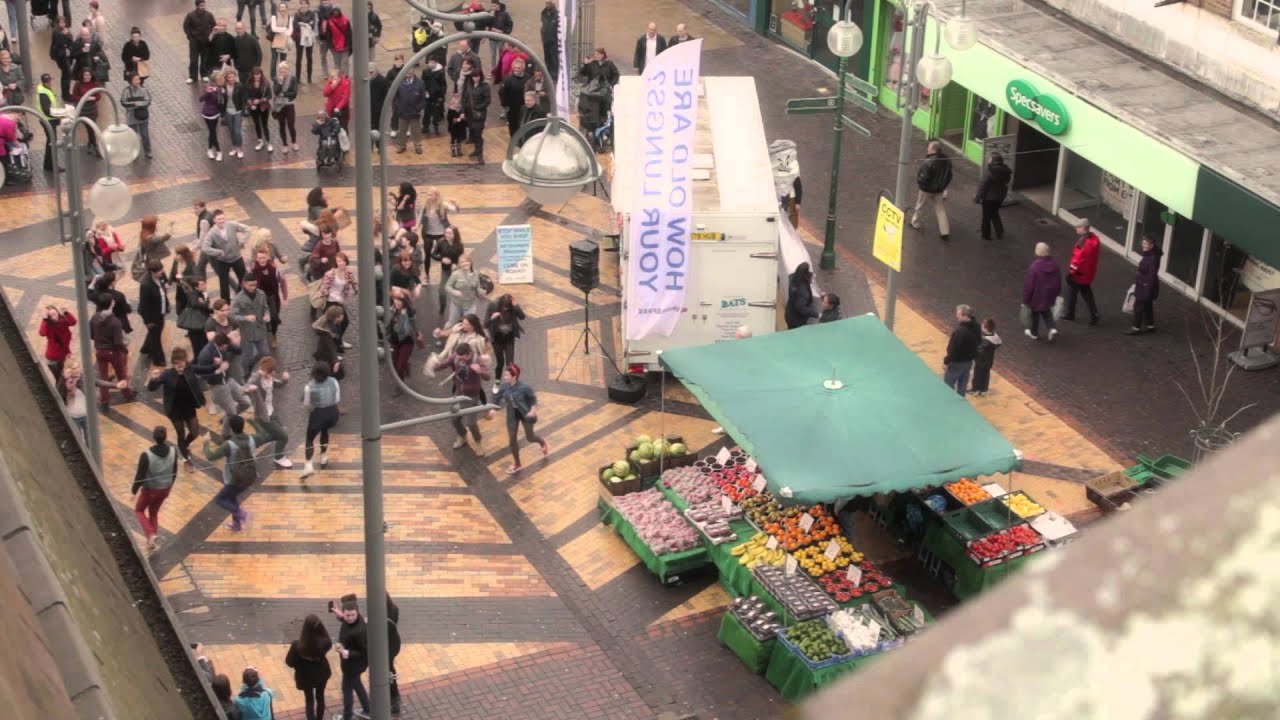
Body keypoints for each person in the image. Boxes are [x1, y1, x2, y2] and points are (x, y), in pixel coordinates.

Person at [203, 413, 272, 530]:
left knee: (220, 500)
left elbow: (211, 456)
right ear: (242, 426)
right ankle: (237, 525)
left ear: (231, 428)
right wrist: (251, 420)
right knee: (232, 498)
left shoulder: (229, 445)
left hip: (233, 479)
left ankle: (243, 515)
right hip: (250, 476)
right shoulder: (252, 439)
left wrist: (206, 442)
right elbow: (263, 434)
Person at [147, 348, 205, 471]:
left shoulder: (189, 369)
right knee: (181, 434)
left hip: (189, 407)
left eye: (182, 362)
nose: (180, 365)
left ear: (186, 361)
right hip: (174, 409)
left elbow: (205, 370)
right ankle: (186, 459)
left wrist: (217, 366)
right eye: (177, 363)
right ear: (173, 363)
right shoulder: (167, 374)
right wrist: (152, 379)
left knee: (194, 432)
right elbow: (152, 388)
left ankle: (184, 445)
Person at [488, 364, 549, 473]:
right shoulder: (504, 386)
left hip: (525, 413)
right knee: (512, 441)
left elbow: (533, 399)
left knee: (530, 437)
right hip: (512, 414)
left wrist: (532, 410)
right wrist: (493, 408)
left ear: (514, 376)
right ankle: (517, 464)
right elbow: (496, 397)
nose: (504, 377)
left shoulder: (525, 388)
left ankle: (542, 442)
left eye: (506, 375)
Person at [433, 342, 490, 450]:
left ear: (469, 354)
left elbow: (488, 376)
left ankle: (478, 442)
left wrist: (480, 371)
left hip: (472, 397)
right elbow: (444, 364)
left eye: (463, 358)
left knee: (472, 424)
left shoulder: (477, 360)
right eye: (459, 358)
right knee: (454, 419)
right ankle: (463, 436)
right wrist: (434, 367)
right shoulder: (456, 356)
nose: (460, 360)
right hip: (459, 394)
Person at [194, 332, 252, 435]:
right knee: (233, 414)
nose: (226, 349)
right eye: (225, 347)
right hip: (218, 386)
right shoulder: (205, 355)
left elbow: (238, 351)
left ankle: (226, 419)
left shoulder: (225, 344)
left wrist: (233, 343)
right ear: (219, 345)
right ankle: (226, 435)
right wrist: (217, 369)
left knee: (246, 403)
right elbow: (202, 376)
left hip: (228, 379)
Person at [131, 425, 177, 553]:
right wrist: (169, 486)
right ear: (166, 437)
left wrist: (134, 491)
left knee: (139, 510)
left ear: (154, 437)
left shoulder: (146, 455)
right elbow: (174, 472)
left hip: (150, 490)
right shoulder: (174, 451)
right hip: (165, 489)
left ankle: (151, 535)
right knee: (153, 513)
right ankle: (152, 542)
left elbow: (140, 475)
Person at [244, 356, 291, 468]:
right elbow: (245, 387)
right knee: (283, 436)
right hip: (263, 416)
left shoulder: (271, 377)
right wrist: (251, 387)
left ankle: (250, 445)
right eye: (265, 371)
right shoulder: (256, 378)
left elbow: (278, 385)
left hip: (272, 412)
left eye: (269, 372)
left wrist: (285, 379)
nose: (267, 374)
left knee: (275, 434)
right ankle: (279, 457)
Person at [90, 295, 135, 411]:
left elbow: (91, 334)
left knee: (103, 376)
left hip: (99, 351)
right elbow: (118, 342)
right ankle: (127, 394)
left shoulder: (94, 317)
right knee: (121, 374)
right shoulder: (115, 322)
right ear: (111, 304)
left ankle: (104, 401)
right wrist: (126, 351)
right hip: (113, 352)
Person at [330, 594, 370, 720]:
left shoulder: (361, 631)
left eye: (353, 615)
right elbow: (347, 622)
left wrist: (345, 652)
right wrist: (339, 616)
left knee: (346, 690)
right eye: (347, 615)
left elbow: (364, 652)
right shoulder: (352, 620)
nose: (350, 618)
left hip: (354, 665)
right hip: (351, 664)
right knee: (356, 683)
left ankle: (347, 716)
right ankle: (368, 708)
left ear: (357, 612)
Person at [285, 614, 332, 720]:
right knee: (320, 697)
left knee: (309, 700)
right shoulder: (325, 642)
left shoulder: (297, 646)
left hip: (305, 677)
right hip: (321, 674)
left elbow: (289, 662)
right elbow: (327, 646)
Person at [300, 358, 340, 478]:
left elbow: (306, 404)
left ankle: (308, 465)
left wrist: (313, 410)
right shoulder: (334, 381)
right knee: (325, 431)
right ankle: (323, 456)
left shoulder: (309, 386)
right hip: (332, 413)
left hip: (318, 414)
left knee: (309, 439)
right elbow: (337, 399)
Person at [911, 140, 953, 241]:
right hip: (939, 190)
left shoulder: (928, 162)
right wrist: (943, 186)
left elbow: (923, 178)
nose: (927, 149)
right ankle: (945, 232)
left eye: (929, 147)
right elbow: (949, 176)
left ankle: (915, 222)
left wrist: (921, 186)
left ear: (933, 149)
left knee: (920, 206)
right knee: (940, 209)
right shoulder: (946, 160)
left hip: (926, 190)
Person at [205, 210, 251, 301]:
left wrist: (242, 242)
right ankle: (225, 303)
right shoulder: (211, 233)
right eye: (219, 219)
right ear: (214, 220)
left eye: (223, 218)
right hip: (222, 261)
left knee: (244, 279)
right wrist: (217, 252)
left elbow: (247, 229)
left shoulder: (232, 224)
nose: (221, 221)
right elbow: (205, 247)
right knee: (223, 284)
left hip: (237, 257)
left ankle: (244, 297)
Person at [1064, 218, 1102, 326]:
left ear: (1083, 228)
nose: (1076, 228)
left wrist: (1071, 272)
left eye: (1078, 227)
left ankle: (1070, 314)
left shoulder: (1083, 243)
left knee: (1072, 292)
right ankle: (1094, 314)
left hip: (1079, 273)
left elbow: (1077, 259)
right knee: (1086, 292)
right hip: (1088, 272)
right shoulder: (1094, 239)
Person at [231, 274, 271, 374]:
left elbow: (266, 307)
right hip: (246, 332)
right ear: (244, 284)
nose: (253, 287)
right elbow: (232, 316)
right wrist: (245, 318)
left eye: (255, 285)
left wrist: (267, 315)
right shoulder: (237, 299)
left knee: (265, 353)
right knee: (246, 356)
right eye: (250, 285)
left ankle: (265, 372)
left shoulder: (261, 294)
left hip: (260, 329)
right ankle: (245, 373)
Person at [1022, 242, 1062, 341]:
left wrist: (1026, 299)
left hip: (1037, 295)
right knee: (1046, 311)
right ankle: (1051, 327)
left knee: (1035, 314)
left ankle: (1034, 333)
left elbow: (1029, 285)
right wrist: (1056, 293)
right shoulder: (1055, 265)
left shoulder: (1035, 267)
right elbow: (1058, 280)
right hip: (1049, 294)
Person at [417, 188, 456, 283]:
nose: (429, 197)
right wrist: (416, 227)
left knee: (444, 254)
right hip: (428, 233)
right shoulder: (426, 205)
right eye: (428, 195)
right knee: (427, 254)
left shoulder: (442, 205)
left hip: (440, 233)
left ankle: (446, 274)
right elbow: (420, 217)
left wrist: (455, 204)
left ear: (436, 196)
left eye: (431, 195)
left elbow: (454, 210)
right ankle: (426, 275)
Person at [318, 252, 357, 347]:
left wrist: (355, 289)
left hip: (340, 301)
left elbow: (353, 283)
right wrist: (335, 298)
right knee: (333, 326)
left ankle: (338, 341)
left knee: (344, 322)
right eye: (339, 261)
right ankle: (335, 346)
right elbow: (323, 289)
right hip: (330, 302)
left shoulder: (348, 273)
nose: (341, 263)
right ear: (335, 263)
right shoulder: (330, 273)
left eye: (343, 261)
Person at [248, 243, 286, 339]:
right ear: (256, 258)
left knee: (274, 317)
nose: (261, 260)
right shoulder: (253, 270)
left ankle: (273, 335)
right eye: (259, 258)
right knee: (260, 318)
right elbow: (245, 283)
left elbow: (282, 282)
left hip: (271, 296)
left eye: (263, 258)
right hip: (258, 298)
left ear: (267, 257)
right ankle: (264, 331)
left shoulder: (274, 269)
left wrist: (285, 297)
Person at [138, 260, 170, 369]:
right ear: (152, 272)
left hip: (161, 310)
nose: (162, 272)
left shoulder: (161, 275)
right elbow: (144, 305)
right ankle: (158, 359)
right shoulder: (145, 285)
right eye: (159, 271)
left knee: (154, 333)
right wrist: (147, 321)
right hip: (152, 316)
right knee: (156, 337)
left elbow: (165, 283)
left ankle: (146, 348)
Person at [942, 304, 980, 396]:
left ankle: (949, 401)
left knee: (948, 383)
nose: (956, 316)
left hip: (957, 362)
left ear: (965, 316)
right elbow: (979, 341)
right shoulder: (977, 327)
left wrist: (946, 361)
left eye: (958, 314)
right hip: (968, 362)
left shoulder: (960, 331)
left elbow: (953, 349)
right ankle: (961, 399)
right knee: (963, 384)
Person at [485, 294, 524, 382]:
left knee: (510, 364)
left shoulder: (513, 307)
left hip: (509, 338)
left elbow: (522, 317)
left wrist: (516, 306)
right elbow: (485, 324)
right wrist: (492, 318)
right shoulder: (492, 306)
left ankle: (511, 383)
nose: (505, 310)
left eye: (507, 308)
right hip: (497, 339)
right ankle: (497, 381)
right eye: (504, 308)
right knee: (500, 363)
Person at [1128, 235, 1162, 336]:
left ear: (1152, 245)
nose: (1143, 245)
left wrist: (1146, 289)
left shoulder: (1151, 258)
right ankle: (1150, 325)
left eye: (1146, 244)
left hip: (1145, 286)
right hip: (1146, 285)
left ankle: (1136, 327)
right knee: (1147, 306)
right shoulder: (1151, 255)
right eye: (1143, 243)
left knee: (1138, 306)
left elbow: (1151, 275)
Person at [975, 151, 1012, 241]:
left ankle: (986, 235)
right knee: (995, 214)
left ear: (993, 161)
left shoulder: (990, 172)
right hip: (999, 198)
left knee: (986, 217)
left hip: (989, 199)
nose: (988, 160)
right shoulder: (1005, 172)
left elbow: (983, 186)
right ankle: (999, 232)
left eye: (990, 159)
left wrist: (977, 197)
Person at [385, 291, 419, 384]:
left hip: (406, 342)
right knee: (395, 364)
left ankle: (400, 385)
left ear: (404, 301)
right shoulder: (392, 310)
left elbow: (405, 331)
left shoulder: (409, 314)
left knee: (399, 367)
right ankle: (405, 365)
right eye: (395, 299)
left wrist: (403, 317)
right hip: (395, 341)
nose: (396, 302)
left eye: (399, 300)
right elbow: (388, 324)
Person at [443, 253, 482, 328]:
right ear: (459, 264)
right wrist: (454, 292)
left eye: (466, 261)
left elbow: (477, 286)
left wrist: (480, 292)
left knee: (470, 324)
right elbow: (447, 286)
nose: (465, 264)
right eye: (462, 262)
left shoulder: (476, 273)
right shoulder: (455, 274)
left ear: (470, 262)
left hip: (470, 303)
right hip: (457, 303)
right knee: (452, 323)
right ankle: (445, 333)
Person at [70, 67, 103, 157]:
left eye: (88, 75)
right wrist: (84, 98)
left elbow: (98, 96)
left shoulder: (95, 84)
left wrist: (93, 98)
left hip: (92, 109)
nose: (87, 77)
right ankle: (94, 146)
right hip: (83, 110)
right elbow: (74, 96)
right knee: (90, 128)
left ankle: (91, 144)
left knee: (91, 128)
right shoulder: (78, 84)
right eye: (85, 75)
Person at [178, 275, 213, 357]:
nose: (205, 286)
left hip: (202, 323)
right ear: (196, 287)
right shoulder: (193, 294)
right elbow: (194, 303)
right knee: (198, 347)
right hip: (196, 326)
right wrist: (204, 304)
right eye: (202, 285)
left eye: (204, 284)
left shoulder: (203, 293)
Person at [460, 65, 490, 163]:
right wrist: (463, 111)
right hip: (469, 114)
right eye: (474, 76)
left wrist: (477, 107)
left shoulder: (485, 86)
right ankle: (476, 150)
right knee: (473, 132)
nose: (475, 78)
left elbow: (487, 101)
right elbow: (464, 99)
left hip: (479, 114)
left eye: (477, 76)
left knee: (478, 134)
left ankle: (480, 154)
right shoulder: (468, 85)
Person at [39, 305, 76, 382]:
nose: (53, 317)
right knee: (59, 379)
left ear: (58, 313)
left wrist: (66, 312)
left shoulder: (63, 321)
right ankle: (61, 392)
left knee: (67, 377)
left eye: (54, 314)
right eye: (50, 315)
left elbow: (73, 322)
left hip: (65, 355)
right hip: (53, 358)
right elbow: (42, 333)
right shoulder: (48, 325)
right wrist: (44, 320)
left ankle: (69, 391)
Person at [393, 69, 426, 154]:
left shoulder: (420, 82)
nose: (409, 73)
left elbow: (423, 98)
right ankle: (401, 146)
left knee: (416, 130)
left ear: (413, 71)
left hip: (414, 112)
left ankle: (418, 146)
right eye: (407, 71)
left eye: (411, 71)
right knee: (402, 130)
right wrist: (398, 107)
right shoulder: (399, 81)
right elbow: (395, 96)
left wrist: (418, 108)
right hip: (402, 112)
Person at [185, 0, 216, 84]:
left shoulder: (209, 15)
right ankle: (192, 76)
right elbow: (186, 27)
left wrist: (210, 35)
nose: (203, 7)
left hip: (205, 41)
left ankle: (204, 74)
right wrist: (190, 37)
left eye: (204, 5)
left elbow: (213, 25)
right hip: (194, 41)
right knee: (193, 59)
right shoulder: (190, 15)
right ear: (197, 6)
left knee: (204, 58)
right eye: (202, 5)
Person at [970, 317, 1002, 396]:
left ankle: (976, 390)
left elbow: (979, 351)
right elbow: (999, 343)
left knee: (977, 375)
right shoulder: (995, 337)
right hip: (989, 361)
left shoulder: (985, 341)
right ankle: (984, 390)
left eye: (982, 325)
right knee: (986, 375)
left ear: (986, 328)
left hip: (981, 361)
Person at [36, 74, 61, 173]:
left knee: (50, 141)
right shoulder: (44, 93)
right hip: (48, 120)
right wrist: (59, 115)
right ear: (46, 82)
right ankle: (52, 165)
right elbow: (47, 110)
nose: (51, 82)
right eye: (49, 81)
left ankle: (48, 164)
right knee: (52, 142)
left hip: (48, 119)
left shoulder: (43, 88)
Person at [272, 61, 299, 154]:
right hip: (280, 106)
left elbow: (294, 93)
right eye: (281, 71)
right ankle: (284, 144)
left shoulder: (293, 79)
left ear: (288, 70)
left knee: (291, 125)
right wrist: (280, 82)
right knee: (281, 125)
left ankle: (294, 142)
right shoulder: (276, 79)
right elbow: (275, 92)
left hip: (289, 105)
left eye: (284, 70)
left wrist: (283, 94)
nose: (283, 72)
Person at [246, 67, 274, 153]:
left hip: (263, 107)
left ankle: (268, 142)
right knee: (257, 124)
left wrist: (260, 100)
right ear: (253, 75)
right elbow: (246, 96)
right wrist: (251, 104)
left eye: (258, 75)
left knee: (264, 125)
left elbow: (269, 96)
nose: (257, 77)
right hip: (254, 107)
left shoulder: (265, 83)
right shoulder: (249, 83)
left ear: (261, 75)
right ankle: (260, 141)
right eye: (255, 75)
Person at [499, 57, 528, 137]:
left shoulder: (528, 78)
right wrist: (505, 105)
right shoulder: (508, 79)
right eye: (515, 68)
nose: (517, 69)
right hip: (512, 107)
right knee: (513, 125)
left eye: (519, 68)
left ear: (523, 68)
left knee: (524, 123)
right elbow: (502, 93)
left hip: (525, 106)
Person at [784, 262, 818, 330]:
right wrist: (816, 314)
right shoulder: (803, 291)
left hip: (789, 313)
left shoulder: (793, 279)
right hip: (797, 320)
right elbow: (801, 308)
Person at [223, 68, 248, 159]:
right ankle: (234, 147)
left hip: (237, 111)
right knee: (231, 131)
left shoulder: (240, 86)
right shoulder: (223, 86)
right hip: (228, 111)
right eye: (230, 77)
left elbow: (243, 100)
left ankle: (240, 148)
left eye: (233, 77)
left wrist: (242, 113)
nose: (232, 79)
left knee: (237, 131)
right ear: (227, 78)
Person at [199, 78, 225, 161]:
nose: (222, 81)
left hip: (215, 113)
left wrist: (223, 93)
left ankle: (210, 149)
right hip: (207, 113)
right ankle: (219, 151)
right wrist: (208, 92)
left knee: (212, 131)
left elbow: (222, 102)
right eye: (220, 80)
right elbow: (201, 99)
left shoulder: (221, 89)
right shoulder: (208, 88)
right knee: (212, 132)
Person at [422, 56, 447, 135]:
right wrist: (424, 92)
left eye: (433, 62)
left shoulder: (440, 72)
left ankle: (436, 126)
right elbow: (423, 82)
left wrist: (441, 96)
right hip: (428, 96)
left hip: (437, 96)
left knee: (436, 113)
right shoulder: (425, 71)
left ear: (436, 63)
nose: (431, 64)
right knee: (427, 112)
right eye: (430, 62)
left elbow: (443, 85)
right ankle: (425, 126)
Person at [293, 0, 316, 83]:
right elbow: (296, 26)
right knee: (298, 58)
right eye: (302, 4)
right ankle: (297, 77)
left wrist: (302, 23)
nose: (303, 5)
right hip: (299, 39)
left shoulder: (312, 14)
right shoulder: (297, 14)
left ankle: (309, 77)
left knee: (309, 58)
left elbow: (313, 25)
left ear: (308, 5)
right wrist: (307, 24)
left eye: (305, 4)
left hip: (309, 38)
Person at [487, 1, 513, 71]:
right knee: (492, 55)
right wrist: (490, 16)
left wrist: (503, 32)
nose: (493, 8)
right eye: (492, 6)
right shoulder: (489, 12)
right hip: (492, 38)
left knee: (501, 54)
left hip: (501, 38)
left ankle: (500, 69)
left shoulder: (505, 14)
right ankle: (493, 70)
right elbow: (486, 24)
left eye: (494, 6)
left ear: (498, 6)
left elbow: (510, 24)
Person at [327, 7, 352, 74]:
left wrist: (348, 45)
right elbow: (328, 35)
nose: (335, 13)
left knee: (344, 63)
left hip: (344, 45)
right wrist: (330, 45)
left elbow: (349, 34)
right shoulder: (330, 22)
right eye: (334, 11)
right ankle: (337, 78)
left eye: (337, 11)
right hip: (335, 45)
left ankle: (345, 78)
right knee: (337, 63)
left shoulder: (345, 21)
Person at [269, 2, 292, 70]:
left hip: (284, 40)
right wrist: (284, 29)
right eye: (281, 7)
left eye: (284, 7)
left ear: (287, 8)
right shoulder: (274, 17)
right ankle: (273, 76)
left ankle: (282, 75)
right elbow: (273, 28)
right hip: (274, 40)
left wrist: (284, 32)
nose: (282, 9)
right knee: (274, 60)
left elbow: (290, 29)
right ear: (278, 8)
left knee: (283, 61)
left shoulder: (289, 17)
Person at [539, 0, 559, 81]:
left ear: (553, 3)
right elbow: (543, 24)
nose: (547, 5)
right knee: (547, 56)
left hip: (554, 40)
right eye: (546, 3)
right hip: (545, 39)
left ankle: (555, 75)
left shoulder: (557, 14)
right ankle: (548, 72)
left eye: (549, 3)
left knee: (554, 57)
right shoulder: (543, 13)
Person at [446, 93, 466, 157]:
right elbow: (450, 119)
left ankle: (459, 150)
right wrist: (458, 119)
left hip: (460, 127)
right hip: (453, 128)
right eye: (455, 103)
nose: (457, 104)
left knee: (459, 139)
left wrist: (464, 117)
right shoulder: (451, 111)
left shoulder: (461, 110)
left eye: (458, 103)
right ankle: (453, 151)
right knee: (453, 138)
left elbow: (465, 119)